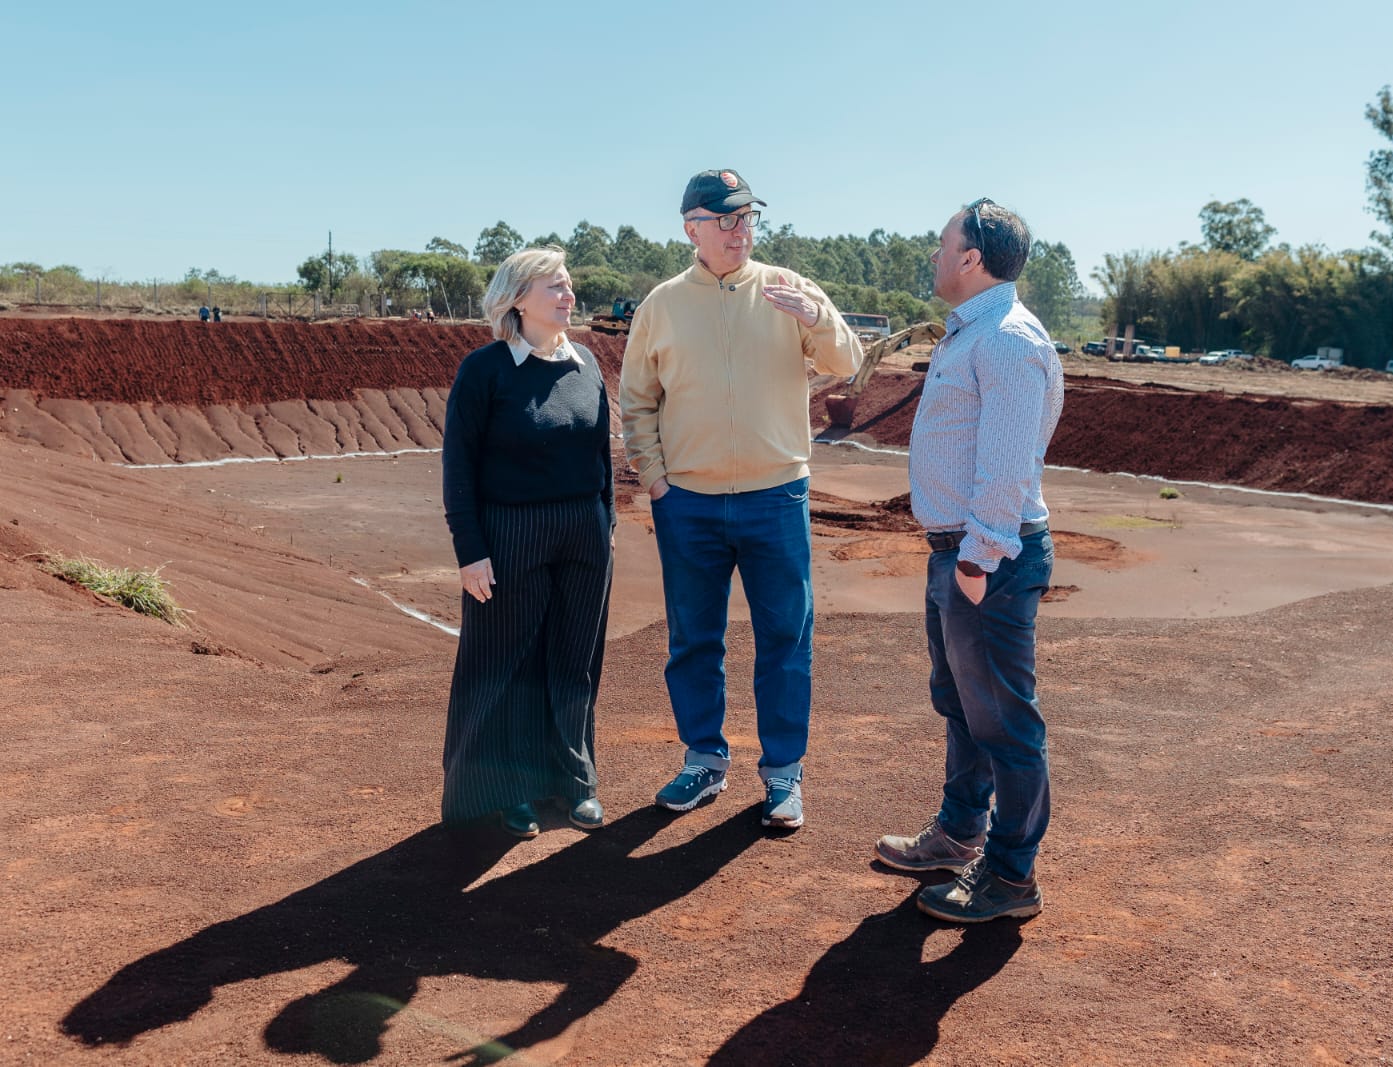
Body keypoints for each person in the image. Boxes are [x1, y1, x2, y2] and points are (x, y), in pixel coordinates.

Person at [620, 168, 863, 829]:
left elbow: (848, 362)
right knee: (694, 638)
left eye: (749, 217)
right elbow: (637, 401)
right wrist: (657, 478)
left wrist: (820, 317)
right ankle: (703, 759)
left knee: (786, 637)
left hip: (776, 497)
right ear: (691, 227)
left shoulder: (789, 290)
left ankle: (783, 775)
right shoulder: (663, 306)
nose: (740, 230)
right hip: (689, 504)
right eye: (726, 219)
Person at [874, 199, 1064, 922]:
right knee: (963, 705)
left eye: (941, 242)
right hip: (962, 550)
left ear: (971, 258)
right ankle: (959, 835)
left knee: (1006, 722)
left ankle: (1012, 876)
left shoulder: (1009, 340)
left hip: (991, 556)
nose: (933, 254)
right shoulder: (974, 333)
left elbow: (1009, 467)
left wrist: (978, 561)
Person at [440, 247, 615, 839]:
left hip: (583, 535)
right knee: (506, 663)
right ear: (518, 298)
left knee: (573, 660)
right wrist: (471, 550)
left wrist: (605, 528)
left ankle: (574, 783)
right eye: (554, 288)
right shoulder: (484, 370)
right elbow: (458, 465)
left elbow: (601, 458)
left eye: (568, 285)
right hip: (510, 533)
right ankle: (505, 790)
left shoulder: (586, 363)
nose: (568, 296)